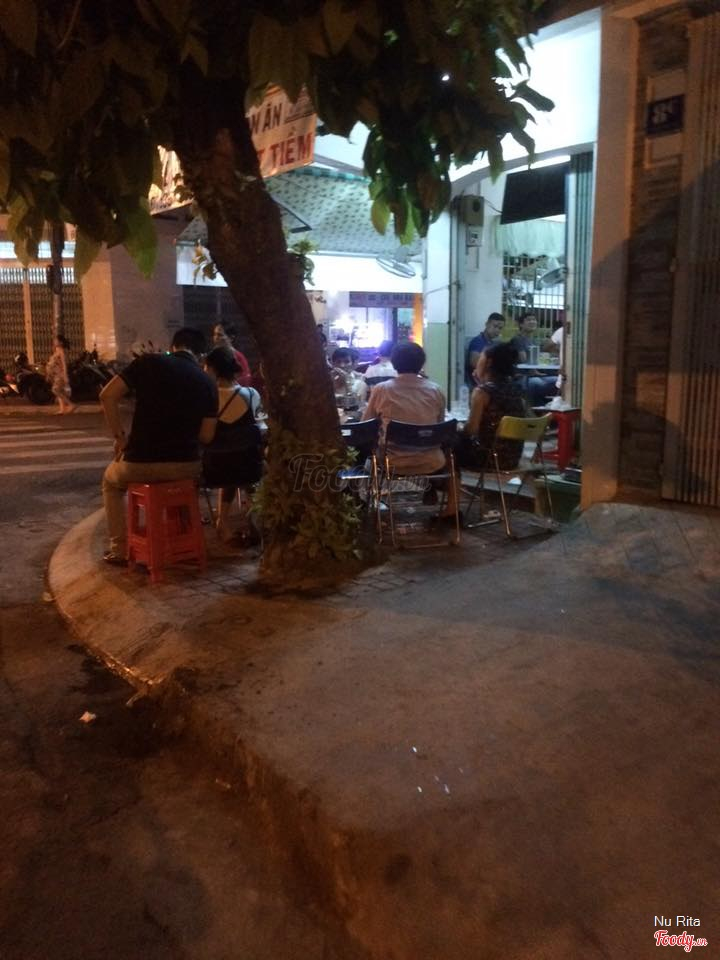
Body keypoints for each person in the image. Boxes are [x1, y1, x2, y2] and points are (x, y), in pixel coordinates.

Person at [99, 327, 218, 565]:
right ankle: (183, 543)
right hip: (185, 467)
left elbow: (107, 395)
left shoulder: (148, 363)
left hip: (139, 464)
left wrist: (120, 438)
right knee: (183, 487)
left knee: (110, 484)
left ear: (173, 346)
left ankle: (119, 549)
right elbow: (206, 436)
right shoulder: (207, 382)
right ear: (201, 354)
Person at [364, 342, 458, 519]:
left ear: (394, 363)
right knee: (451, 448)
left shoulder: (381, 390)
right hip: (432, 461)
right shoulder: (436, 390)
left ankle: (361, 502)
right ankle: (446, 503)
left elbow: (366, 424)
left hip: (392, 461)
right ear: (421, 363)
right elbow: (439, 426)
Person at [202, 346, 263, 544]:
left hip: (214, 470)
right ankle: (253, 518)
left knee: (229, 461)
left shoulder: (207, 397)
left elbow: (204, 435)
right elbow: (259, 423)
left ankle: (223, 522)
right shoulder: (251, 394)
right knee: (245, 462)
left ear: (212, 369)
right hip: (250, 467)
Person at [456, 342, 527, 471]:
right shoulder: (517, 389)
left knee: (447, 442)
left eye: (480, 358)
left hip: (487, 458)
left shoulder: (482, 392)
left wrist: (458, 427)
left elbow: (471, 430)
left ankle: (448, 482)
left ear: (488, 362)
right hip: (512, 458)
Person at [508, 312, 557, 406]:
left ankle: (544, 407)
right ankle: (533, 408)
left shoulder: (532, 340)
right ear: (521, 324)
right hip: (522, 377)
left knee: (558, 380)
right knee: (537, 383)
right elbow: (524, 361)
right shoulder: (517, 340)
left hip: (534, 375)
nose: (532, 322)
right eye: (529, 320)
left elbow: (539, 359)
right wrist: (536, 372)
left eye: (534, 320)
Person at [466, 313, 505, 385]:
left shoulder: (493, 343)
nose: (497, 330)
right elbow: (474, 363)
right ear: (487, 324)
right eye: (495, 326)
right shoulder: (478, 341)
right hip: (479, 383)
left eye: (500, 328)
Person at [212, 322, 252, 387]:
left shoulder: (238, 357)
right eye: (214, 334)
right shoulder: (213, 356)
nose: (215, 338)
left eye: (220, 335)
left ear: (231, 338)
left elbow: (245, 380)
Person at [46, 334, 76, 414]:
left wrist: (65, 376)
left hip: (60, 375)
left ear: (60, 342)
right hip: (56, 375)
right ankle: (62, 409)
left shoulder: (61, 351)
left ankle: (71, 405)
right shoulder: (56, 350)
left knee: (55, 390)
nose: (54, 341)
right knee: (60, 391)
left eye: (56, 340)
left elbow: (64, 364)